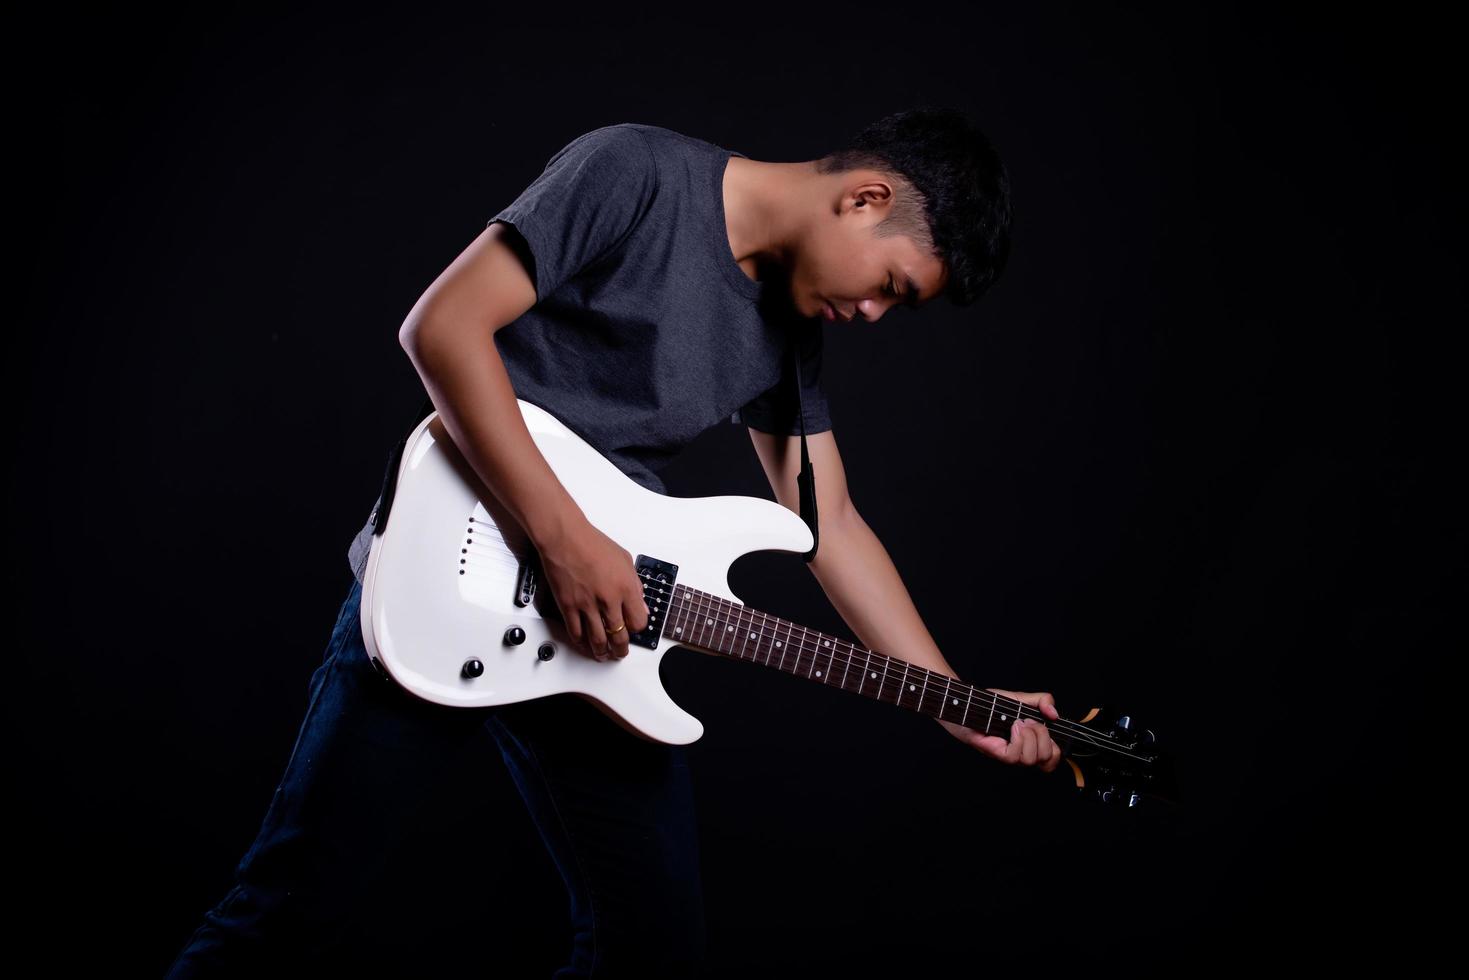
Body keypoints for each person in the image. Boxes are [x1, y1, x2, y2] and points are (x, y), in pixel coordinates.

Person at [164, 105, 1061, 979]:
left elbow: (833, 528)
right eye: (888, 287)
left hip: (599, 639)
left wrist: (953, 699)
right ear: (864, 198)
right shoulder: (635, 170)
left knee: (651, 951)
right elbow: (441, 326)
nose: (871, 314)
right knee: (284, 914)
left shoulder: (789, 332)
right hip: (448, 578)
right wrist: (564, 543)